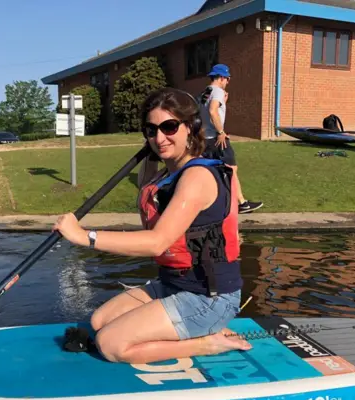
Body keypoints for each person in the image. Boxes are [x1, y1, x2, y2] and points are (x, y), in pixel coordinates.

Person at [52, 87, 251, 365]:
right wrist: (156, 151)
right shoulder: (166, 174)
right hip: (174, 285)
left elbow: (157, 242)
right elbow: (146, 199)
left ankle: (207, 342)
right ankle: (197, 328)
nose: (159, 137)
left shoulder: (197, 177)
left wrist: (85, 236)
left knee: (110, 344)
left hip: (208, 298)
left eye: (169, 127)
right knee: (99, 321)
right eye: (151, 129)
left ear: (191, 127)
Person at [199, 63, 263, 214]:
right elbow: (213, 111)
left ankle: (212, 202)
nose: (228, 82)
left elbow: (203, 113)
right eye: (227, 79)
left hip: (205, 138)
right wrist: (221, 131)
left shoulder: (204, 93)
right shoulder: (218, 92)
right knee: (231, 169)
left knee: (210, 170)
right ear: (221, 78)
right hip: (217, 138)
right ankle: (241, 203)